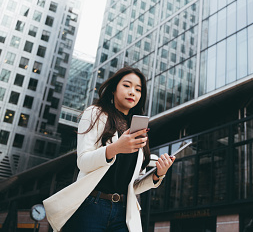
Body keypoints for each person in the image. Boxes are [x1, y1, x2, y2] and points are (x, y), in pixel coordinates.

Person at [43, 66, 175, 231]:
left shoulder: (137, 128)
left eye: (138, 89)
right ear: (113, 89)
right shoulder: (96, 113)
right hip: (91, 206)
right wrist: (115, 148)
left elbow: (133, 186)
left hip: (123, 212)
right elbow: (83, 162)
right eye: (126, 85)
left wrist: (158, 175)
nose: (132, 92)